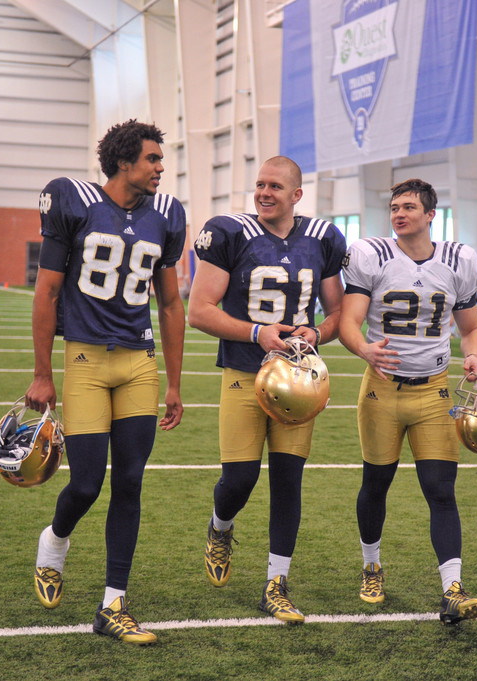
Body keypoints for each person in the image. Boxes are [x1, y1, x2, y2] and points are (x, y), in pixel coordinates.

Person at [24, 119, 187, 645]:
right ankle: (55, 541)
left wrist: (175, 383)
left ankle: (113, 602)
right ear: (123, 162)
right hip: (87, 360)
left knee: (131, 482)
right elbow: (48, 291)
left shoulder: (166, 215)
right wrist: (43, 374)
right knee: (87, 484)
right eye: (152, 158)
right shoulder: (75, 203)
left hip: (138, 362)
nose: (160, 167)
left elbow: (170, 303)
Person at [189, 156, 345, 624]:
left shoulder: (322, 237)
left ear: (296, 194)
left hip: (297, 377)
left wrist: (317, 333)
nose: (264, 192)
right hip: (244, 372)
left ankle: (276, 584)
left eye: (275, 186)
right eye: (259, 184)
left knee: (288, 479)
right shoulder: (231, 233)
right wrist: (257, 333)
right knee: (239, 479)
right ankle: (220, 526)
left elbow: (338, 313)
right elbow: (199, 310)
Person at [339, 178, 477, 625]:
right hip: (382, 388)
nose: (399, 214)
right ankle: (371, 565)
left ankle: (453, 590)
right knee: (376, 483)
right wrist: (364, 349)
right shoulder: (373, 255)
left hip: (434, 389)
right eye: (394, 207)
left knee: (441, 489)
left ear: (430, 214)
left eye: (408, 207)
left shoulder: (458, 261)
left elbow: (471, 329)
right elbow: (349, 322)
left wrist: (473, 356)